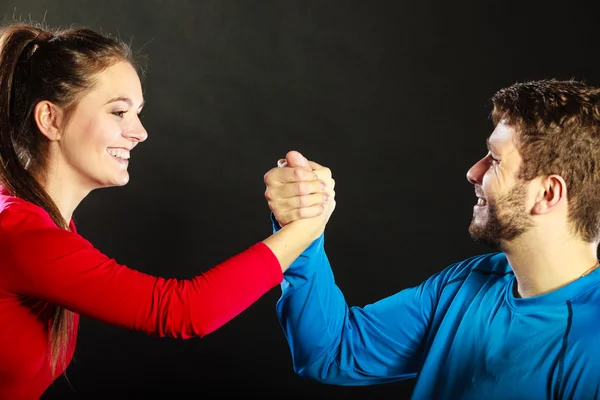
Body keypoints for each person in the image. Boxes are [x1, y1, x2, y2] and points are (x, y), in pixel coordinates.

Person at [0, 22, 336, 400]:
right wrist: (310, 223)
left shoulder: (44, 224)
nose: (140, 132)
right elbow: (186, 311)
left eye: (137, 112)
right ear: (51, 119)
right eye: (118, 112)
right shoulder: (26, 237)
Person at [264, 79, 600, 399]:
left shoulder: (592, 348)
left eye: (495, 160)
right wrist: (302, 229)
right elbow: (333, 352)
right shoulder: (468, 282)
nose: (473, 172)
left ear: (548, 193)